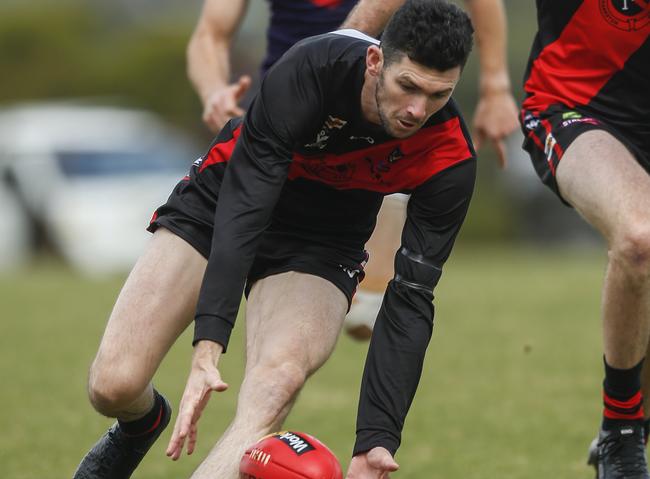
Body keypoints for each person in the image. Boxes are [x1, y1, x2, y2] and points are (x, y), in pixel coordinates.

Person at [71, 0, 475, 479]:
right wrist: (208, 345)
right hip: (223, 201)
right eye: (407, 86)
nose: (417, 110)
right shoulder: (313, 68)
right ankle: (143, 422)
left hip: (323, 239)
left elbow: (410, 300)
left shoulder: (449, 154)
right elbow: (244, 210)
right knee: (113, 385)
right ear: (375, 62)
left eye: (437, 94)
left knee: (276, 382)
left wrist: (375, 442)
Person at [187, 0, 519, 340]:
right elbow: (210, 34)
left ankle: (379, 226)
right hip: (285, 109)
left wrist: (496, 86)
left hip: (372, 117)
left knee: (346, 320)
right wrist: (214, 91)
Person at [519, 1, 650, 479]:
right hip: (574, 107)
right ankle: (621, 432)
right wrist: (348, 40)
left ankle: (634, 427)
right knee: (639, 236)